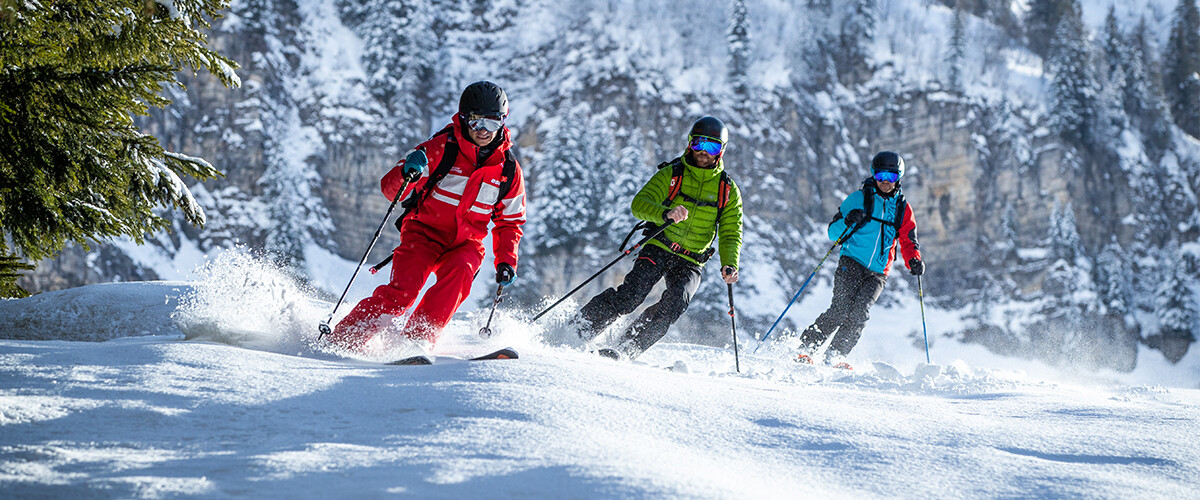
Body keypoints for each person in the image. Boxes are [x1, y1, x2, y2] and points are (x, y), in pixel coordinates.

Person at [327, 81, 526, 352]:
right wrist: (408, 170)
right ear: (464, 118)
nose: (483, 131)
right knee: (402, 294)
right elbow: (389, 189)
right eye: (477, 122)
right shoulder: (440, 148)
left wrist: (506, 260)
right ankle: (344, 339)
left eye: (492, 123)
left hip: (465, 244)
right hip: (423, 234)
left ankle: (414, 343)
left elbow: (510, 221)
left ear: (503, 122)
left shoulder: (508, 170)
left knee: (460, 273)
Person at [574, 116, 743, 360]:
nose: (704, 152)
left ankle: (625, 350)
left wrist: (730, 263)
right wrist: (665, 213)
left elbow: (731, 232)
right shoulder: (672, 174)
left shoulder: (727, 190)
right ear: (689, 144)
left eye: (712, 147)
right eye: (699, 144)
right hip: (660, 246)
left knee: (675, 304)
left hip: (692, 259)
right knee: (630, 296)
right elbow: (639, 204)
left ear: (721, 151)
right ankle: (577, 330)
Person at [797, 151, 924, 369]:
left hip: (878, 271)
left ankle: (834, 356)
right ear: (874, 175)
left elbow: (908, 239)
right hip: (852, 261)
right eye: (881, 175)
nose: (885, 181)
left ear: (899, 178)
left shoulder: (903, 208)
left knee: (859, 315)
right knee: (840, 309)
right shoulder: (858, 199)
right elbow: (832, 233)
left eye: (891, 177)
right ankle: (806, 349)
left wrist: (913, 260)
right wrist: (848, 220)